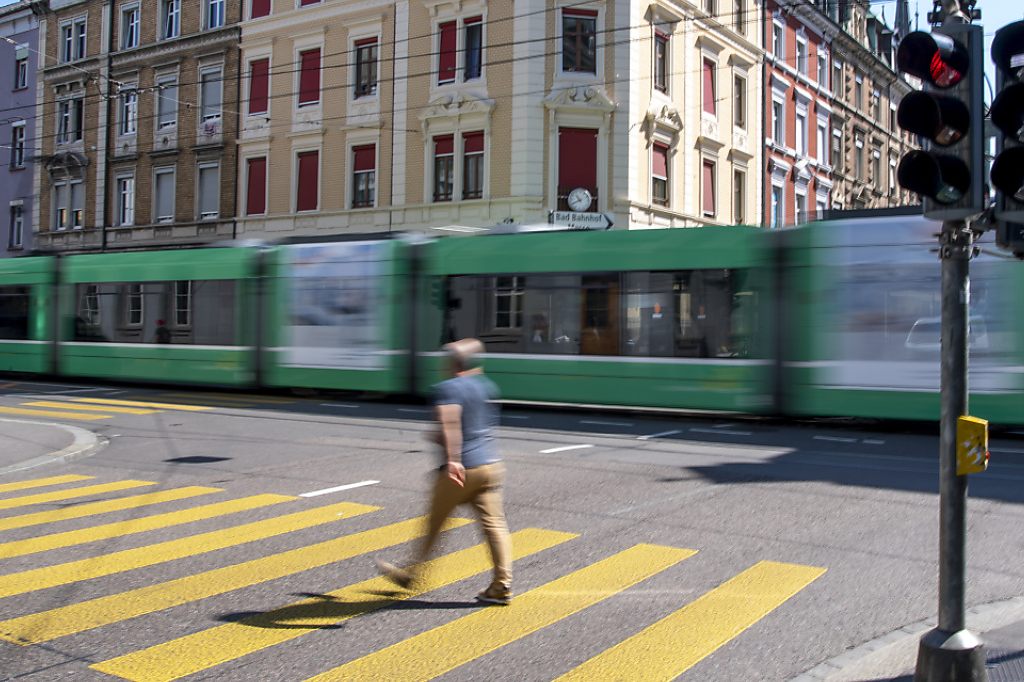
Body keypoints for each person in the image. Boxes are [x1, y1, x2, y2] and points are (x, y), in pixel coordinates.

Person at [376, 338, 513, 605]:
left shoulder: (447, 388)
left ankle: (411, 574)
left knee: (435, 524)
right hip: (491, 466)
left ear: (452, 363)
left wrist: (453, 459)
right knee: (495, 526)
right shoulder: (487, 387)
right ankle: (502, 584)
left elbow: (450, 421)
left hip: (463, 469)